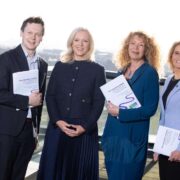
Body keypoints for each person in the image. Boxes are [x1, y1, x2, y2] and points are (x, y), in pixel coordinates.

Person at [37, 27, 106, 180]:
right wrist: (57, 121)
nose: (80, 44)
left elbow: (99, 103)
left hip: (83, 132)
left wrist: (84, 127)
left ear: (90, 45)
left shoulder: (98, 70)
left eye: (85, 41)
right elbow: (51, 96)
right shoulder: (60, 66)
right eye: (77, 40)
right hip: (58, 129)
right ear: (71, 42)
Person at [101, 31, 160, 180]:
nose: (136, 48)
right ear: (127, 47)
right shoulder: (122, 71)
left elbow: (150, 109)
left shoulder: (150, 73)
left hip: (132, 140)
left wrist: (121, 112)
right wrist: (110, 104)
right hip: (113, 135)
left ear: (146, 50)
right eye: (133, 43)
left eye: (141, 45)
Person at [0, 17, 48, 180]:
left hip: (29, 132)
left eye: (37, 34)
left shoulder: (43, 65)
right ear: (21, 33)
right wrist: (26, 101)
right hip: (7, 131)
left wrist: (35, 132)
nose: (33, 37)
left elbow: (39, 104)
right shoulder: (6, 59)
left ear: (42, 37)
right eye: (29, 32)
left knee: (19, 176)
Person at [153, 41, 180, 180]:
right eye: (177, 53)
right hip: (166, 147)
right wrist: (158, 145)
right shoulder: (169, 79)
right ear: (171, 56)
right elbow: (163, 116)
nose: (179, 56)